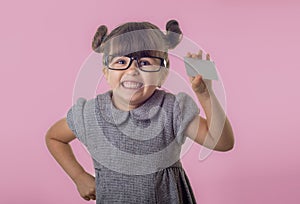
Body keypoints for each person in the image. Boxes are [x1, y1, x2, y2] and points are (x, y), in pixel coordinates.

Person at [45, 20, 234, 204]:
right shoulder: (90, 114)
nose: (132, 70)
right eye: (121, 61)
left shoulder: (172, 110)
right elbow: (54, 138)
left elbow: (222, 142)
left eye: (144, 62)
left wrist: (206, 94)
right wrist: (78, 176)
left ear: (162, 75)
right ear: (106, 73)